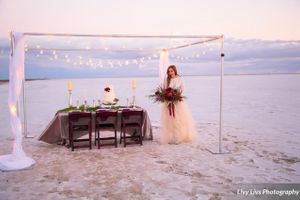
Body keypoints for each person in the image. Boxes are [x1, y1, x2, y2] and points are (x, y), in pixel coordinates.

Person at [159, 65, 198, 144]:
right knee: (169, 121)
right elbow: (164, 89)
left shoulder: (179, 78)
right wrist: (166, 96)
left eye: (172, 71)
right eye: (169, 71)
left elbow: (182, 89)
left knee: (178, 121)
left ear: (175, 71)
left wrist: (177, 96)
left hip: (177, 103)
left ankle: (178, 137)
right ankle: (170, 137)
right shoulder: (166, 79)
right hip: (168, 103)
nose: (170, 73)